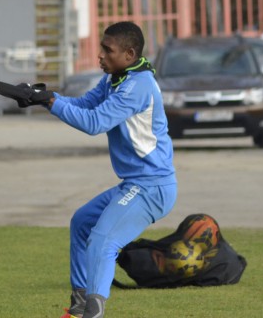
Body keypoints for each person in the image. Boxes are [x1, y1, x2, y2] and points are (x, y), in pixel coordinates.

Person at [18, 21, 177, 318]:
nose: (100, 56)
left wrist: (51, 102)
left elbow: (94, 123)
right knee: (82, 223)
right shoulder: (114, 79)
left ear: (129, 54)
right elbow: (84, 106)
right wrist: (42, 96)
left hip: (152, 188)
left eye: (107, 50)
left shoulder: (137, 86)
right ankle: (79, 308)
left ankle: (94, 313)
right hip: (134, 184)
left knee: (103, 241)